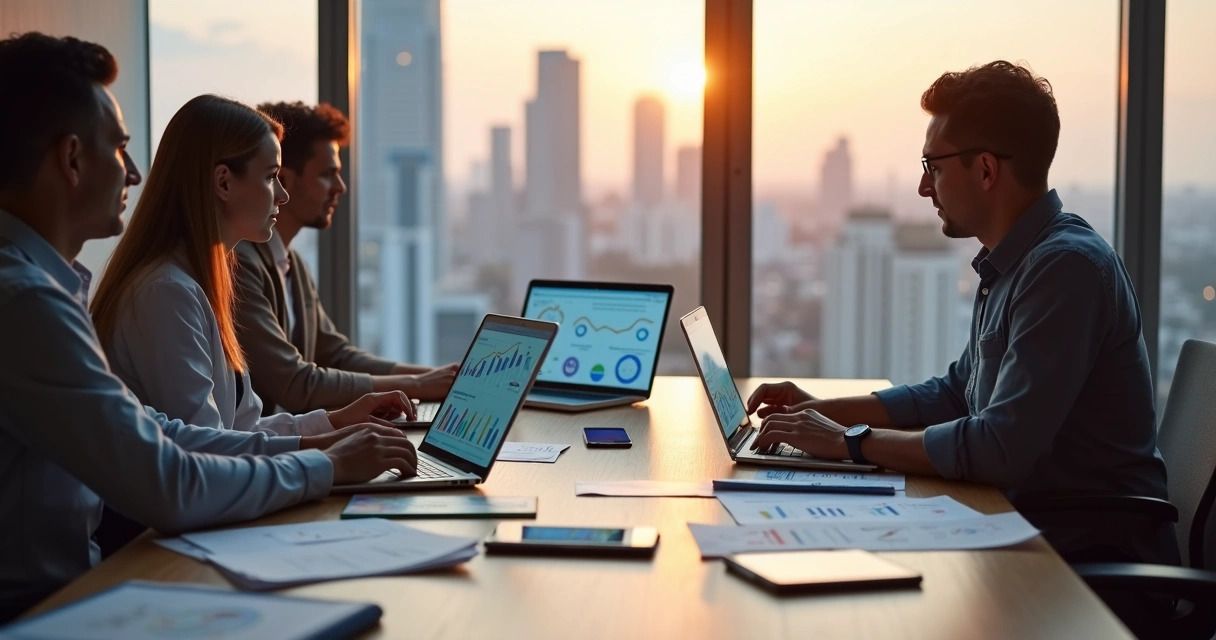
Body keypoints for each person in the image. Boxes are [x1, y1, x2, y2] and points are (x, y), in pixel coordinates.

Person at [0, 32, 417, 621]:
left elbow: (166, 432)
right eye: (119, 149)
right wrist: (325, 464)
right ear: (71, 160)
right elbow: (168, 481)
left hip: (74, 589)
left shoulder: (45, 289)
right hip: (40, 609)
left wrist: (325, 439)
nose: (135, 173)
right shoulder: (28, 304)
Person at [746, 61, 1177, 571]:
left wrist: (846, 443)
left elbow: (999, 447)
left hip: (1088, 562)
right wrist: (824, 410)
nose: (925, 188)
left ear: (987, 170)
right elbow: (955, 393)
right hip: (1023, 528)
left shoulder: (1066, 270)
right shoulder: (1015, 262)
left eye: (934, 166)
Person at [90, 95, 418, 435]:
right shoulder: (166, 294)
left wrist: (338, 422)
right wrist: (333, 458)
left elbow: (242, 429)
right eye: (270, 177)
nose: (282, 194)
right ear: (223, 183)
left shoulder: (199, 281)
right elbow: (208, 452)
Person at [232, 101, 456, 415]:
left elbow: (336, 355)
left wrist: (434, 377)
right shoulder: (240, 265)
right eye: (327, 175)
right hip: (266, 450)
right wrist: (417, 386)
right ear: (286, 178)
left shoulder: (291, 264)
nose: (340, 187)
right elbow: (296, 384)